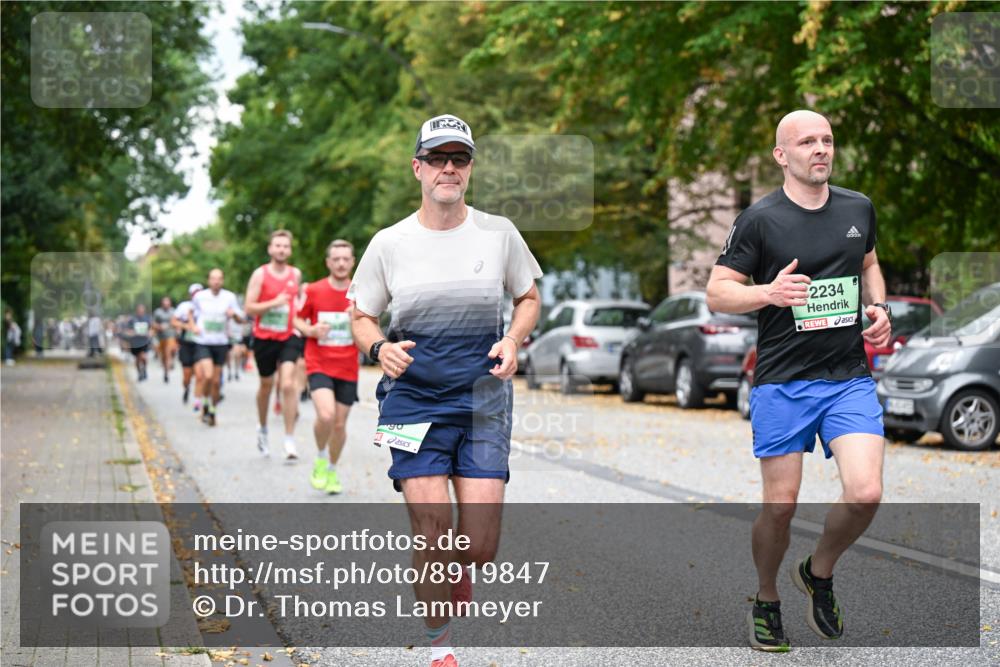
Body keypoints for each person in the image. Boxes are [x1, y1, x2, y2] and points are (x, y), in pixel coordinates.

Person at [350, 114, 542, 667]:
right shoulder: (389, 243)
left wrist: (511, 338)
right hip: (409, 399)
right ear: (418, 169)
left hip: (483, 403)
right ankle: (440, 648)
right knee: (431, 531)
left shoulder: (499, 233)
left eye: (459, 158)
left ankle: (460, 567)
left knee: (478, 547)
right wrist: (378, 348)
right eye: (438, 158)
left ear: (470, 169)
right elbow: (361, 315)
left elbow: (528, 297)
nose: (449, 168)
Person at [706, 110, 891, 652]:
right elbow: (717, 291)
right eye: (807, 141)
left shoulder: (858, 208)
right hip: (783, 380)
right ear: (781, 155)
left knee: (866, 491)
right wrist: (768, 294)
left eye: (827, 140)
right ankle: (767, 597)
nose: (821, 150)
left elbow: (870, 263)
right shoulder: (760, 219)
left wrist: (878, 307)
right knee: (781, 506)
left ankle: (819, 571)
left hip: (846, 375)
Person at [293, 240, 359, 495]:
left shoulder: (360, 292)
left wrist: (358, 320)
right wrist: (310, 329)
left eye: (345, 258)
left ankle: (331, 469)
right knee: (326, 415)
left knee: (340, 426)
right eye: (336, 259)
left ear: (352, 261)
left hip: (348, 366)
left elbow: (371, 325)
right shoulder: (315, 290)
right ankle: (321, 457)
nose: (341, 263)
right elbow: (297, 318)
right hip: (319, 361)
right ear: (328, 262)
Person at [244, 230, 303, 460]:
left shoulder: (295, 274)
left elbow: (295, 303)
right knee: (267, 385)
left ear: (290, 250)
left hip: (289, 335)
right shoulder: (260, 275)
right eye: (277, 245)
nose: (281, 250)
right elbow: (249, 308)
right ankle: (263, 428)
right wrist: (274, 303)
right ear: (270, 249)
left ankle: (289, 439)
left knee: (288, 384)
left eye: (285, 246)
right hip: (264, 338)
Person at [189, 269, 244, 426]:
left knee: (215, 381)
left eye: (219, 279)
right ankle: (205, 403)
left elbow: (241, 319)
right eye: (213, 278)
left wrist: (233, 314)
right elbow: (191, 313)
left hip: (221, 343)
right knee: (207, 375)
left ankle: (212, 409)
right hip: (203, 341)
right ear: (208, 280)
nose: (216, 282)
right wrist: (193, 326)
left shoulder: (229, 297)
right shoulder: (200, 297)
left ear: (223, 281)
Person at [172, 284, 202, 406]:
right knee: (187, 374)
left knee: (200, 374)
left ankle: (197, 400)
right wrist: (186, 326)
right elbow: (173, 321)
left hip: (200, 344)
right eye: (195, 293)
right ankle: (186, 387)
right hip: (186, 343)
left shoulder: (207, 307)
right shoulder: (184, 306)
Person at [153, 296, 178, 383]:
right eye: (164, 303)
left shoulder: (173, 311)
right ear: (162, 304)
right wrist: (159, 327)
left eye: (167, 303)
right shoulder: (158, 312)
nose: (166, 305)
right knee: (164, 356)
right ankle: (166, 372)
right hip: (161, 337)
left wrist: (172, 326)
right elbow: (153, 323)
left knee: (169, 352)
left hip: (171, 336)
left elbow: (176, 322)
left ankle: (171, 361)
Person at [125, 303, 153, 381]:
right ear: (137, 310)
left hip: (144, 341)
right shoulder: (132, 319)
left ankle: (144, 369)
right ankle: (139, 373)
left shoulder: (147, 318)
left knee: (144, 357)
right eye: (139, 309)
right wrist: (133, 332)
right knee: (137, 359)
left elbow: (151, 329)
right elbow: (127, 331)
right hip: (135, 342)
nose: (140, 311)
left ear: (144, 310)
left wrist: (149, 333)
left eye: (142, 309)